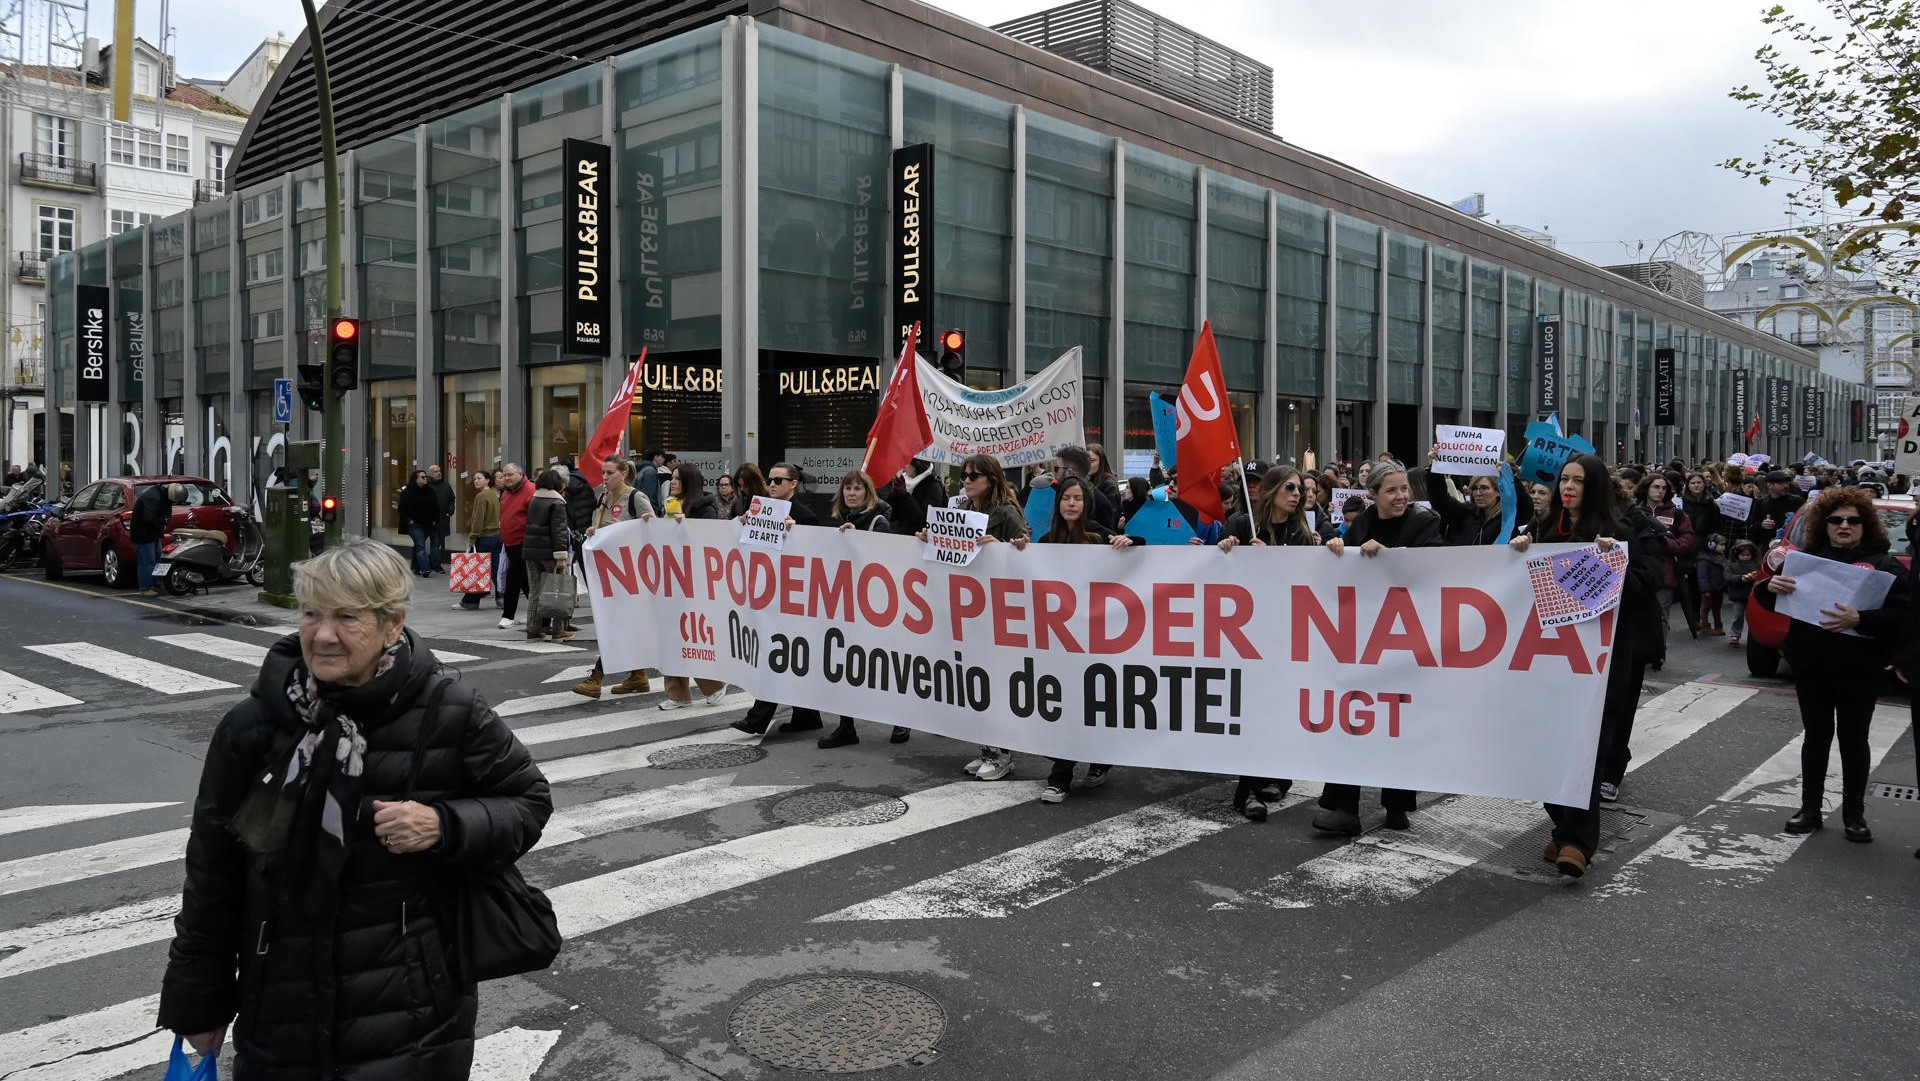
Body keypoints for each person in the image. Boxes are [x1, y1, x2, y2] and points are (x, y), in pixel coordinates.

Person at [159, 538, 551, 1077]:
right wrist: (197, 1003)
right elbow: (212, 873)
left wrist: (444, 824)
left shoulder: (450, 711)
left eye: (347, 617)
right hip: (281, 1006)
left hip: (414, 1012)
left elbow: (528, 802)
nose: (322, 635)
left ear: (393, 625)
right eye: (311, 614)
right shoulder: (254, 725)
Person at [1510, 454, 1663, 876]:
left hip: (1600, 663)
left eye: (1577, 481)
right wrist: (1516, 552)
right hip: (1546, 660)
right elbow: (1513, 590)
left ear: (1594, 487)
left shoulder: (1620, 532)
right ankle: (1563, 829)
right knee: (1544, 748)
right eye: (1564, 480)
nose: (1568, 487)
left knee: (1588, 752)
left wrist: (1617, 562)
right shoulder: (1541, 528)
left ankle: (1579, 841)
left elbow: (1643, 592)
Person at [1758, 486, 1909, 842]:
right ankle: (1809, 808)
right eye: (1836, 520)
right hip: (1813, 665)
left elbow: (1903, 616)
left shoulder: (1884, 564)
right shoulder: (1807, 560)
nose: (1844, 526)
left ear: (1864, 524)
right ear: (1824, 525)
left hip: (1860, 668)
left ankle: (1854, 814)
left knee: (1854, 741)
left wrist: (1862, 619)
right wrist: (1770, 588)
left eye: (1853, 520)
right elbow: (1766, 600)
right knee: (1816, 737)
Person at [1317, 462, 1442, 835]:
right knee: (1353, 716)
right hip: (1364, 637)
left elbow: (1430, 569)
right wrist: (1338, 548)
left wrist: (1388, 554)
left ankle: (1397, 804)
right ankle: (1343, 805)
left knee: (1398, 720)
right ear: (1374, 494)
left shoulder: (1425, 523)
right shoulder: (1363, 523)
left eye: (1404, 489)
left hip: (1406, 637)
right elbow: (1346, 574)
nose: (1402, 496)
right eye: (1392, 490)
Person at [1007, 476, 1134, 803]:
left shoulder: (1098, 535)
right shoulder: (1048, 539)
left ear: (1086, 503)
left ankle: (1087, 765)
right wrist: (1021, 551)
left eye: (1078, 498)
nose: (1072, 504)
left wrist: (1126, 542)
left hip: (1097, 638)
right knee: (1067, 705)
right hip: (1061, 640)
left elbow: (1140, 555)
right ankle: (1063, 772)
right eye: (1066, 498)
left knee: (1091, 703)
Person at [1217, 465, 1317, 820]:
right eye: (1290, 487)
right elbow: (1219, 574)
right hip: (1245, 635)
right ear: (1273, 490)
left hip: (1286, 636)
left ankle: (1276, 776)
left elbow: (1308, 582)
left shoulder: (1302, 533)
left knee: (1279, 709)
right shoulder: (1242, 525)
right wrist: (1229, 550)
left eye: (1300, 490)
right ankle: (1246, 793)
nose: (1297, 494)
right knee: (1254, 712)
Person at [923, 454, 1029, 781]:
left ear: (991, 480)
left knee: (997, 681)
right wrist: (929, 539)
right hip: (970, 608)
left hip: (997, 609)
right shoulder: (964, 512)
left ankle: (1002, 753)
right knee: (978, 680)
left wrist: (1001, 547)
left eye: (973, 476)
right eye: (964, 475)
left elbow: (1026, 552)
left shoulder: (1007, 513)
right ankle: (986, 749)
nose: (966, 480)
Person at [733, 464, 832, 735]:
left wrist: (797, 534)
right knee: (786, 658)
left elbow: (815, 556)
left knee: (777, 656)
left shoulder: (806, 516)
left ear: (793, 484)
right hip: (769, 595)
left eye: (779, 480)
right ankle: (807, 716)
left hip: (795, 600)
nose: (772, 484)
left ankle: (757, 719)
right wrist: (742, 525)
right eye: (770, 479)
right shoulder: (760, 510)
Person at [814, 470, 910, 748]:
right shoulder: (840, 519)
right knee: (846, 664)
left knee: (883, 663)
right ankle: (846, 726)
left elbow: (882, 559)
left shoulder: (878, 520)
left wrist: (859, 541)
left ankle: (902, 718)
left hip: (876, 605)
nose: (852, 493)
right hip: (847, 602)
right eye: (847, 488)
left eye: (857, 489)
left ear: (868, 493)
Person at [573, 457, 657, 698]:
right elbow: (599, 528)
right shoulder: (603, 497)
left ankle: (596, 678)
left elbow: (652, 528)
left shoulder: (636, 497)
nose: (605, 477)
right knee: (621, 623)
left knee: (614, 623)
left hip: (629, 573)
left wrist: (621, 528)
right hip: (608, 570)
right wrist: (595, 530)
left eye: (610, 473)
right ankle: (638, 675)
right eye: (603, 473)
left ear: (623, 473)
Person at [660, 464, 728, 708]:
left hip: (693, 583)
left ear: (689, 482)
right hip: (670, 579)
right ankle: (677, 694)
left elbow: (707, 541)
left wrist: (686, 524)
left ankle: (714, 684)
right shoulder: (669, 504)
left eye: (678, 479)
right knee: (669, 637)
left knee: (690, 637)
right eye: (672, 478)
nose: (673, 482)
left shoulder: (704, 508)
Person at [1638, 473, 1698, 663]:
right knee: (1640, 615)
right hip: (1640, 571)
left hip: (1666, 571)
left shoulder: (1677, 514)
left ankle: (1657, 652)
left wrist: (1667, 543)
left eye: (1663, 488)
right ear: (1647, 488)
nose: (1660, 491)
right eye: (1656, 487)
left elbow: (1687, 540)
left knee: (1661, 615)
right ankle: (1642, 650)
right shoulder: (1635, 511)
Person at [522, 469, 574, 642]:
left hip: (531, 551)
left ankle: (533, 629)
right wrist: (561, 556)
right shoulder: (557, 502)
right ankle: (558, 629)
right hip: (550, 553)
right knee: (557, 589)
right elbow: (559, 531)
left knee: (535, 591)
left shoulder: (535, 499)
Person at [1682, 472, 1729, 635]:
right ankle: (1694, 617)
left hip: (1705, 548)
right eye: (1693, 483)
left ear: (1704, 485)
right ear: (1688, 486)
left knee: (1707, 585)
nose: (1696, 486)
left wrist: (1714, 543)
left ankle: (1707, 619)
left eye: (1699, 483)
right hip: (1686, 548)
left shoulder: (1711, 504)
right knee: (1692, 585)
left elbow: (1717, 527)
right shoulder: (1681, 504)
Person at [1423, 459, 1507, 546]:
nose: (1478, 493)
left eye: (1484, 488)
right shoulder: (1465, 513)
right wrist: (1435, 467)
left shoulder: (1508, 519)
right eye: (1475, 488)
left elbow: (1521, 503)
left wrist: (1510, 476)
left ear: (1498, 491)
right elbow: (1440, 500)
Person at [453, 469, 500, 612]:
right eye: (474, 478)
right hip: (497, 536)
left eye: (479, 478)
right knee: (497, 569)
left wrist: (472, 537)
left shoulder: (481, 496)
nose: (476, 481)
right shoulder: (494, 495)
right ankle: (502, 597)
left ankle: (470, 601)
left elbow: (478, 519)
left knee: (477, 569)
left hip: (484, 537)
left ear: (487, 480)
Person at [496, 463, 534, 630]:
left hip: (524, 542)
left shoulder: (531, 490)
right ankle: (538, 612)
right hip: (509, 542)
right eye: (504, 475)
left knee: (513, 577)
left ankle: (508, 615)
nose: (506, 478)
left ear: (520, 473)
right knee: (524, 580)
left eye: (510, 475)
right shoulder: (505, 493)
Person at [131, 480, 178, 596]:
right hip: (143, 534)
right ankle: (146, 588)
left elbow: (166, 512)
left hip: (151, 533)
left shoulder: (162, 495)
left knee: (157, 559)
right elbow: (149, 517)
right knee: (148, 561)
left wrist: (162, 524)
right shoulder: (153, 497)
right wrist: (161, 525)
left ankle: (157, 584)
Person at [882, 459, 946, 538]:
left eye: (907, 462)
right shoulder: (904, 480)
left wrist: (905, 495)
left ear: (917, 464)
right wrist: (894, 494)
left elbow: (924, 520)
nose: (903, 465)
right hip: (899, 535)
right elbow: (891, 515)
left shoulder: (932, 485)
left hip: (918, 539)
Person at [398, 470, 440, 578]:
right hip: (415, 524)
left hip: (428, 523)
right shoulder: (407, 492)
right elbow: (401, 508)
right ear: (415, 479)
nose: (425, 479)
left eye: (425, 477)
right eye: (422, 477)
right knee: (420, 545)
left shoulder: (430, 491)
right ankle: (425, 569)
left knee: (419, 544)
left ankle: (415, 567)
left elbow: (435, 506)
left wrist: (435, 519)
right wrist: (409, 521)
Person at [1751, 469, 1806, 546]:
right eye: (1781, 483)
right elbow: (1753, 525)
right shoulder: (1761, 502)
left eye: (1787, 482)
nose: (1786, 486)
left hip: (1791, 545)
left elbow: (1805, 523)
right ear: (1769, 485)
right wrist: (1762, 525)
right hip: (1769, 546)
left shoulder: (1797, 501)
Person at [560, 456, 597, 567]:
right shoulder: (585, 481)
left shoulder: (564, 488)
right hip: (586, 526)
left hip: (573, 529)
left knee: (575, 562)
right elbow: (594, 502)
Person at [1725, 539, 1760, 647]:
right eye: (1743, 555)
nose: (1745, 557)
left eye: (1748, 555)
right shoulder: (1732, 565)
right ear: (1737, 554)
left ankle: (1755, 636)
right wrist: (1741, 578)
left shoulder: (1756, 565)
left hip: (1752, 595)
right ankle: (1735, 635)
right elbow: (1727, 577)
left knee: (1753, 616)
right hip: (1738, 595)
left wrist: (1755, 577)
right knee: (1738, 616)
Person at [426, 464, 457, 574]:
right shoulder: (426, 486)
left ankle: (435, 565)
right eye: (435, 471)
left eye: (439, 471)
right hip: (428, 520)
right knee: (424, 543)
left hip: (442, 519)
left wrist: (450, 510)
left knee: (436, 543)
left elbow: (452, 499)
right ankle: (428, 565)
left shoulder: (446, 485)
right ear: (430, 473)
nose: (439, 473)